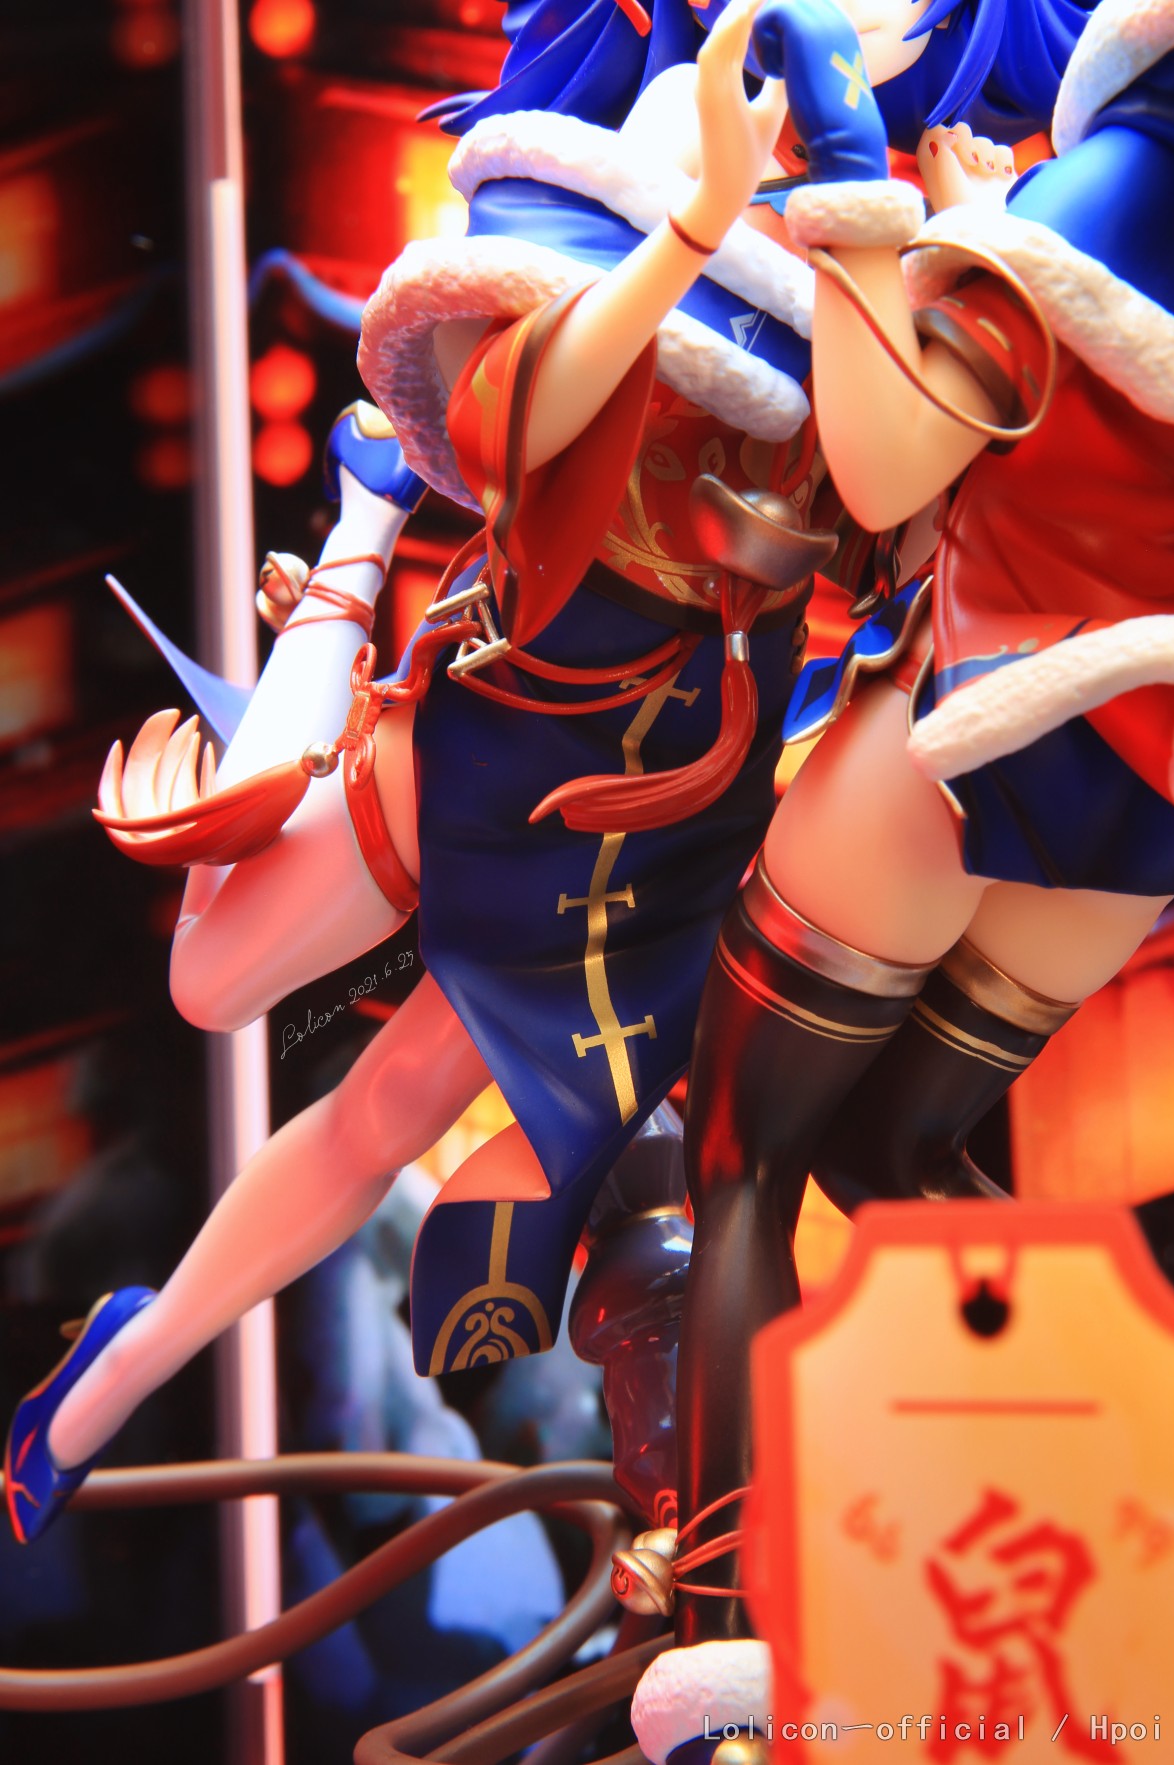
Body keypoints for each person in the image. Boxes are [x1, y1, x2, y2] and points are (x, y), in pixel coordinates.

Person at [5, 0, 828, 1544]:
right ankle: (357, 529)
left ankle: (114, 1379)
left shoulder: (796, 393)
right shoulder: (577, 352)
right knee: (211, 985)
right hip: (464, 757)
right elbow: (547, 397)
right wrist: (694, 220)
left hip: (620, 862)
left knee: (377, 1118)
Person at [629, 0, 1174, 1755]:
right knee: (896, 1152)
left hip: (978, 735)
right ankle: (1092, 1515)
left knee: (738, 1157)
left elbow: (886, 462)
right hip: (1141, 802)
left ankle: (725, 1659)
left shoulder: (1121, 183)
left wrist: (856, 182)